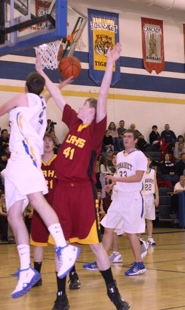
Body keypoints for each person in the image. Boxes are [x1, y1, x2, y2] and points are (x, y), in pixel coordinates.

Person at [36, 43, 129, 309]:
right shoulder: (75, 123)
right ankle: (60, 296)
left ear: (90, 110)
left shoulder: (95, 130)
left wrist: (110, 63)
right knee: (60, 246)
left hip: (82, 191)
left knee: (96, 245)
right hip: (62, 191)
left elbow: (102, 94)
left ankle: (114, 293)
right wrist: (42, 73)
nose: (78, 108)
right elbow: (56, 94)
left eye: (82, 107)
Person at [0, 71, 80, 299]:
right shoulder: (39, 101)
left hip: (27, 158)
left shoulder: (24, 99)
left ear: (25, 86)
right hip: (16, 163)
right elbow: (46, 96)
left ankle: (63, 246)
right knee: (13, 215)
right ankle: (25, 270)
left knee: (36, 200)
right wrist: (59, 84)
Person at [30, 133, 80, 290]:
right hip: (40, 207)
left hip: (58, 208)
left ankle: (73, 275)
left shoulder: (60, 160)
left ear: (54, 143)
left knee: (62, 243)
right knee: (38, 243)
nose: (47, 143)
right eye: (44, 140)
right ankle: (36, 276)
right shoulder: (35, 162)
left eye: (50, 140)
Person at [101, 129, 148, 276]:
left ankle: (139, 264)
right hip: (119, 197)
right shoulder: (120, 155)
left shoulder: (140, 156)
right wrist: (113, 185)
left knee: (131, 232)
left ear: (135, 140)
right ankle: (100, 261)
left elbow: (137, 177)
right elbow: (122, 174)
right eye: (124, 137)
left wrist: (116, 180)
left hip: (132, 198)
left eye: (129, 137)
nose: (126, 139)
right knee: (108, 228)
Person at [142, 155, 159, 246]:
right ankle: (139, 238)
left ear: (150, 161)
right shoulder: (140, 172)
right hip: (142, 196)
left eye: (148, 159)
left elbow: (155, 184)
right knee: (141, 219)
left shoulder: (153, 172)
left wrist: (157, 197)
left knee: (150, 218)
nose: (146, 160)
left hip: (150, 197)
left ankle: (150, 237)